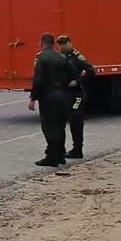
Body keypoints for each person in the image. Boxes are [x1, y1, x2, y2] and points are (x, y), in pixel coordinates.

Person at [27, 32, 76, 170]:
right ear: (54, 43)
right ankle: (60, 155)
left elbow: (38, 80)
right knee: (60, 126)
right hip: (63, 96)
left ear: (41, 43)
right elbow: (73, 75)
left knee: (49, 128)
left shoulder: (41, 58)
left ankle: (52, 157)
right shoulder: (62, 57)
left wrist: (33, 98)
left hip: (48, 98)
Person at [57, 35, 95, 159]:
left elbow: (90, 70)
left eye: (63, 43)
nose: (61, 46)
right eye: (59, 44)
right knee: (61, 120)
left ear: (69, 43)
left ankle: (77, 149)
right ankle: (61, 149)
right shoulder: (60, 56)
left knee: (75, 120)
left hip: (76, 95)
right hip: (65, 93)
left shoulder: (77, 57)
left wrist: (78, 82)